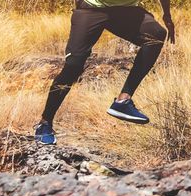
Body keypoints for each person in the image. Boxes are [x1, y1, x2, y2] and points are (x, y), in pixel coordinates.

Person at [34, 0, 176, 145]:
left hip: (124, 9)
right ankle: (45, 123)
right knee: (73, 66)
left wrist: (167, 15)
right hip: (91, 9)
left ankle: (123, 101)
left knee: (156, 34)